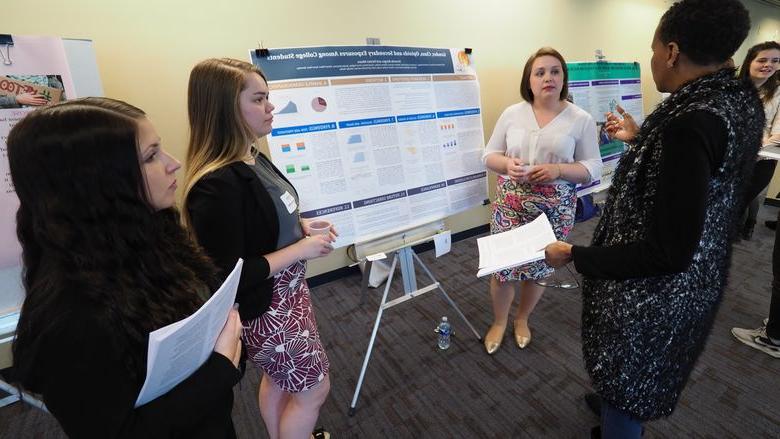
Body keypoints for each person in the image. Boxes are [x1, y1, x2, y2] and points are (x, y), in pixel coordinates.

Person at [544, 0, 761, 437]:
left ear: (673, 52)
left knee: (633, 375)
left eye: (653, 49)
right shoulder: (736, 102)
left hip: (656, 292)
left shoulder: (689, 123)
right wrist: (640, 138)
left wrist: (575, 254)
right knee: (627, 372)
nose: (652, 60)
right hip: (700, 267)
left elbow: (666, 250)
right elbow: (702, 177)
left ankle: (619, 420)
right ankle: (613, 404)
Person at [9, 97, 243, 437]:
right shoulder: (72, 317)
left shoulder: (150, 235)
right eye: (151, 156)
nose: (173, 163)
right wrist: (221, 367)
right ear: (98, 182)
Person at [182, 58, 334, 439]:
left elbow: (261, 222)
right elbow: (231, 274)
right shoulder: (216, 186)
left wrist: (300, 227)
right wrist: (302, 250)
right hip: (267, 309)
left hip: (290, 297)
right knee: (315, 390)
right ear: (225, 108)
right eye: (259, 99)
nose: (270, 108)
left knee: (281, 380)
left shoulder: (252, 155)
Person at [481, 47, 602, 354]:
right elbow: (488, 155)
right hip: (510, 206)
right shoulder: (512, 113)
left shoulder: (580, 119)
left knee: (539, 269)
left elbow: (593, 168)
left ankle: (522, 318)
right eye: (540, 72)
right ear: (529, 80)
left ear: (564, 78)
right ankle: (499, 321)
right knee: (503, 269)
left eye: (555, 71)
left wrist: (559, 169)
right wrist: (506, 166)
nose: (548, 77)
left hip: (554, 210)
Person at [737, 41, 780, 239]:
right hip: (733, 156)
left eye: (775, 61)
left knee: (748, 197)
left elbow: (778, 132)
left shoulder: (778, 93)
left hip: (763, 159)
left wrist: (760, 142)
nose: (768, 65)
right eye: (762, 59)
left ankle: (747, 224)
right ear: (749, 62)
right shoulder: (733, 89)